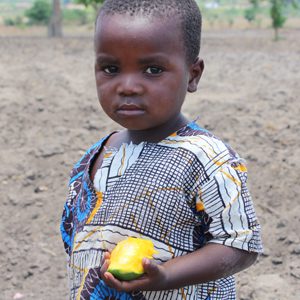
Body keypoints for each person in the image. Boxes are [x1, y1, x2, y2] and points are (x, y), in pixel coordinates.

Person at [60, 0, 263, 299]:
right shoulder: (92, 157)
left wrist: (166, 275)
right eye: (110, 68)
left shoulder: (206, 158)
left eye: (153, 70)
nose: (128, 86)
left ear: (192, 75)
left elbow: (241, 244)